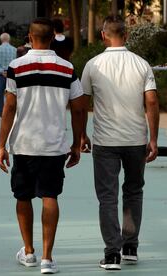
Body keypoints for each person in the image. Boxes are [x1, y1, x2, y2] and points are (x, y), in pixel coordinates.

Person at [0, 18, 85, 274]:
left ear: (30, 37)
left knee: (22, 196)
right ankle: (47, 258)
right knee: (50, 195)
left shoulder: (17, 66)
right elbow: (79, 108)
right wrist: (78, 142)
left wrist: (2, 144)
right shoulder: (67, 68)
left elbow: (9, 107)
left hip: (24, 143)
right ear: (51, 38)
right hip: (54, 145)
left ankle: (29, 252)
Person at [80, 15, 159, 270]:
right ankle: (130, 246)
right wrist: (154, 138)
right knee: (134, 192)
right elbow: (151, 101)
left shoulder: (93, 65)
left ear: (103, 35)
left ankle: (112, 253)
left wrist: (81, 135)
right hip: (136, 138)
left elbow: (82, 104)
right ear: (126, 35)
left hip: (105, 141)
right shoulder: (142, 64)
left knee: (107, 197)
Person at [0, 32, 16, 117]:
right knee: (12, 92)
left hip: (1, 74)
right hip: (11, 74)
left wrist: (1, 71)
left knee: (0, 94)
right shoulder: (14, 49)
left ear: (1, 40)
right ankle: (11, 111)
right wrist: (10, 71)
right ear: (9, 39)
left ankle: (1, 112)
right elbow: (16, 61)